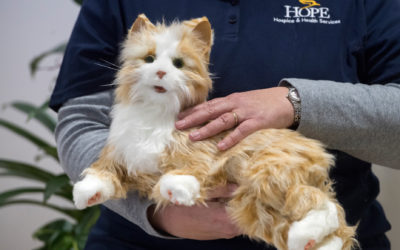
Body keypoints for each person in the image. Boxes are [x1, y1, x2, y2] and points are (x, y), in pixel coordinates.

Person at [50, 0, 400, 249]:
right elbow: (81, 121)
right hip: (137, 240)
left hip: (313, 234)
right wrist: (156, 214)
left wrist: (295, 103)